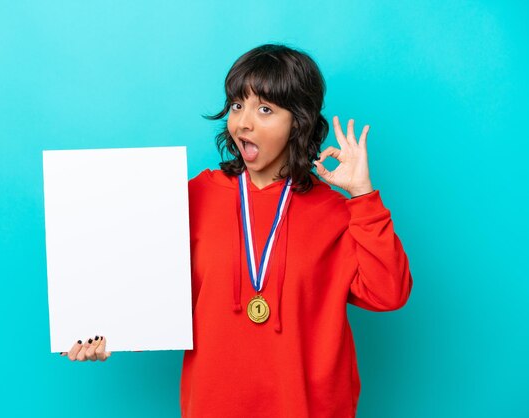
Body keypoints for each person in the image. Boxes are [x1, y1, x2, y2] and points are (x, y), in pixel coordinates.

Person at [61, 43, 413, 418]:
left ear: (298, 120)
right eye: (236, 105)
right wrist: (100, 329)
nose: (244, 122)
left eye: (265, 109)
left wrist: (362, 195)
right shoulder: (193, 196)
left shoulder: (337, 212)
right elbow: (144, 293)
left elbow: (388, 294)